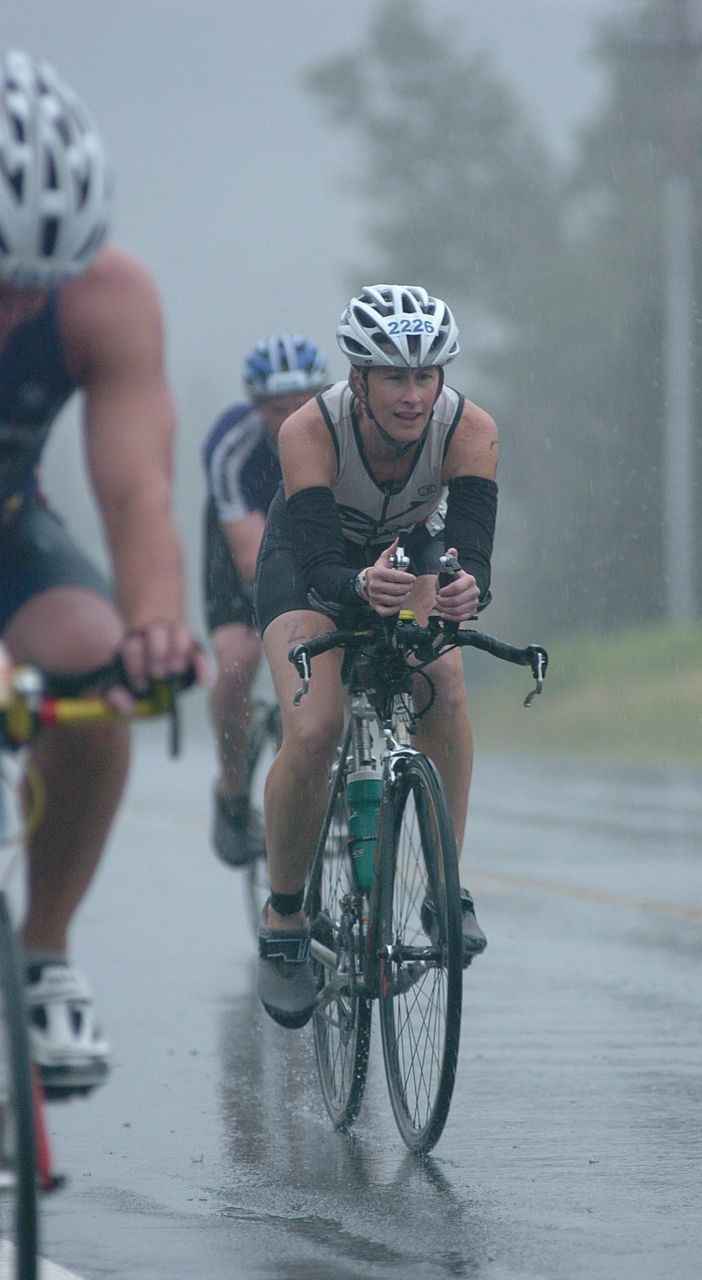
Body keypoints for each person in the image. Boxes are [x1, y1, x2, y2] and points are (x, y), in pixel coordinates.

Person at [0, 50, 207, 1095]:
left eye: (29, 286)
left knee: (91, 667)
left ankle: (41, 949)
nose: (10, 311)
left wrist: (156, 625)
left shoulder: (107, 296)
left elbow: (137, 492)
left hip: (9, 521)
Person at [253, 283, 498, 1028]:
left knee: (444, 684)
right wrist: (359, 585)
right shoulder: (310, 428)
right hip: (308, 566)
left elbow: (475, 555)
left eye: (426, 375)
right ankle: (286, 919)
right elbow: (325, 563)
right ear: (357, 376)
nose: (413, 394)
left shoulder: (471, 428)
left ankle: (443, 888)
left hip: (407, 553)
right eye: (394, 375)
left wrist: (464, 591)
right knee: (317, 723)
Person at [201, 333, 328, 867]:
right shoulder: (232, 445)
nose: (296, 416)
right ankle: (232, 791)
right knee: (237, 661)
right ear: (256, 408)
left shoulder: (343, 429)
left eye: (305, 403)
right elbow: (253, 558)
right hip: (245, 542)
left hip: (316, 529)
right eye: (281, 409)